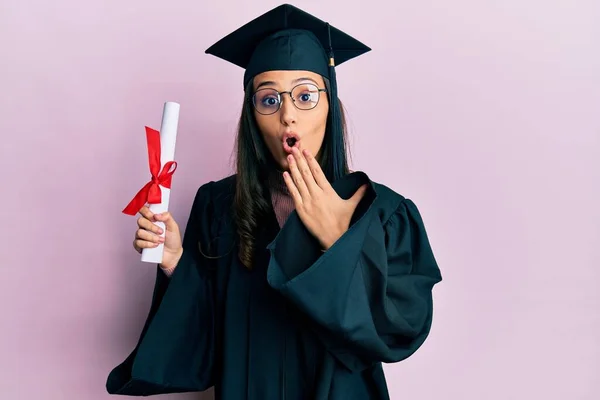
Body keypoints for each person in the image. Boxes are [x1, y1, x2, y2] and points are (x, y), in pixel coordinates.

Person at [106, 4, 442, 399]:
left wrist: (339, 240)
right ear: (252, 116)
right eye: (269, 100)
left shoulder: (383, 213)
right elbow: (204, 348)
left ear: (330, 106)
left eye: (305, 95)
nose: (288, 116)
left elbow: (399, 331)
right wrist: (177, 266)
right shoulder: (218, 207)